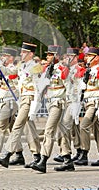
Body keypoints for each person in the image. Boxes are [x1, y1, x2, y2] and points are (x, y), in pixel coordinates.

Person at [0, 42, 42, 168]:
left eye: (24, 52)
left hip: (30, 99)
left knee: (17, 125)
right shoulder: (21, 65)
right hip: (22, 99)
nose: (21, 54)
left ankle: (7, 154)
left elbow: (39, 88)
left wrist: (35, 107)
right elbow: (8, 72)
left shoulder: (36, 67)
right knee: (30, 129)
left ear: (30, 54)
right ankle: (37, 156)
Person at [30, 45, 70, 173]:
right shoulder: (46, 70)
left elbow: (69, 88)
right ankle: (68, 159)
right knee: (61, 132)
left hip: (58, 103)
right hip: (49, 102)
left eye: (50, 55)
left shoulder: (62, 70)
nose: (47, 57)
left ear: (56, 56)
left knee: (49, 130)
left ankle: (43, 160)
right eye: (47, 54)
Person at [74, 47, 99, 166]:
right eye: (87, 56)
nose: (86, 58)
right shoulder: (88, 72)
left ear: (97, 58)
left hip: (95, 103)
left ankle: (84, 153)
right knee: (97, 129)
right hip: (88, 102)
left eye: (90, 56)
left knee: (84, 126)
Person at [53, 48, 85, 167]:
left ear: (76, 58)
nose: (68, 58)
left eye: (71, 56)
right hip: (66, 101)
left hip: (74, 102)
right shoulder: (67, 69)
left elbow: (79, 87)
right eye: (67, 56)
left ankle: (67, 155)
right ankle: (76, 151)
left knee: (64, 126)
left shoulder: (79, 70)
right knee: (72, 128)